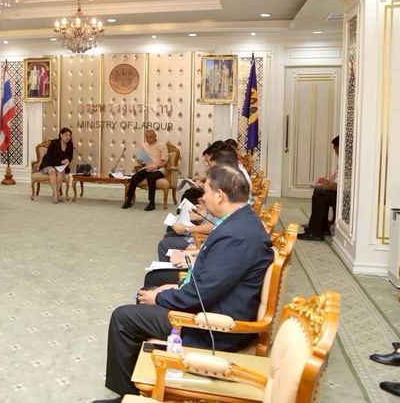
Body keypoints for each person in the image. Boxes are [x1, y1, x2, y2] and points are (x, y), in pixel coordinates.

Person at [96, 165, 273, 401]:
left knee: (124, 318)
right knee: (148, 292)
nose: (203, 196)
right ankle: (142, 384)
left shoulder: (235, 236)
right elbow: (212, 282)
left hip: (213, 328)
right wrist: (173, 289)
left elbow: (201, 295)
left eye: (207, 191)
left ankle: (130, 396)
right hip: (215, 306)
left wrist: (160, 297)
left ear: (220, 195)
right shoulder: (242, 222)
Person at [298, 136, 340, 241]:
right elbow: (337, 182)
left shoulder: (349, 163)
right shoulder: (343, 161)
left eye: (335, 148)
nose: (335, 151)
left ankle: (315, 232)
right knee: (319, 191)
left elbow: (341, 186)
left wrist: (324, 186)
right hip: (339, 192)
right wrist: (327, 182)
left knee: (321, 194)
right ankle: (322, 227)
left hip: (344, 197)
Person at [122, 129, 169, 211]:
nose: (148, 139)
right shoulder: (144, 145)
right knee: (134, 177)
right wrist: (140, 160)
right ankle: (129, 200)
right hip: (147, 168)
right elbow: (143, 161)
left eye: (150, 137)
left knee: (151, 177)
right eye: (146, 137)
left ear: (155, 136)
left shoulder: (162, 145)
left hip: (159, 169)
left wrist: (156, 167)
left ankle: (151, 203)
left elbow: (165, 162)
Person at [39, 127, 74, 204]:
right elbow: (49, 156)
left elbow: (70, 156)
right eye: (66, 135)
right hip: (49, 163)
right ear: (61, 135)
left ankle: (55, 194)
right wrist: (60, 162)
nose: (68, 137)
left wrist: (68, 160)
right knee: (52, 171)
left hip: (60, 165)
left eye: (69, 135)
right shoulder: (54, 143)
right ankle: (56, 194)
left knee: (61, 172)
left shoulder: (70, 144)